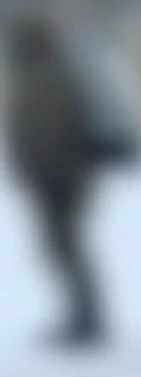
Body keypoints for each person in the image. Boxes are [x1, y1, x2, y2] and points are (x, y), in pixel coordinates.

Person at [4, 12, 106, 349]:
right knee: (58, 246)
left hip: (63, 178)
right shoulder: (34, 77)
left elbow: (68, 126)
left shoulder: (52, 77)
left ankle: (86, 319)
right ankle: (82, 316)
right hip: (48, 177)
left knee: (65, 246)